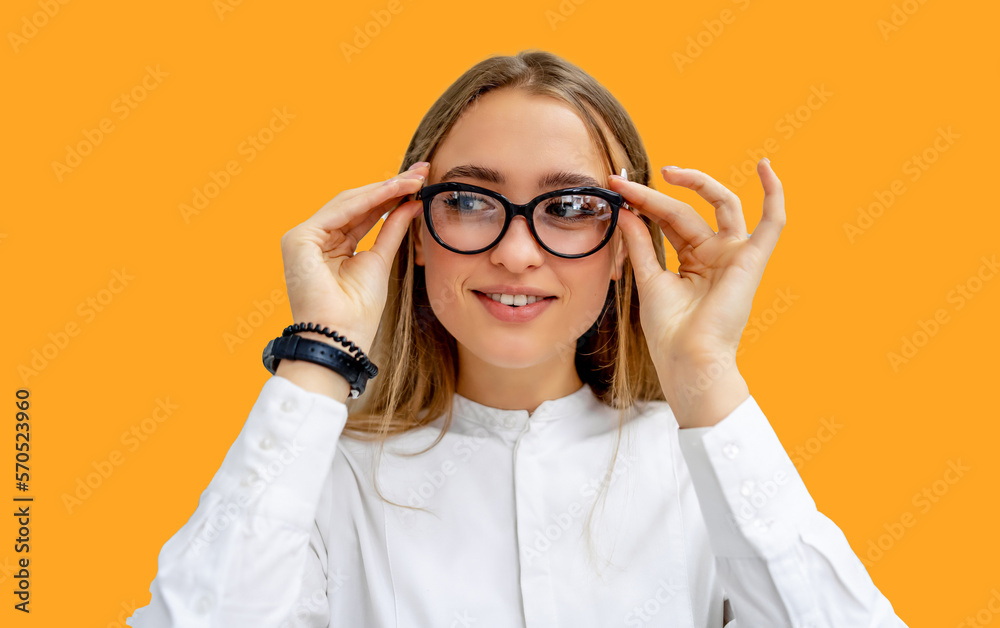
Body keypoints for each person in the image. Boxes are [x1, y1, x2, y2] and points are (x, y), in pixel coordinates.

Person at [127, 50, 907, 627]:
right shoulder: (324, 480)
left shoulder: (702, 470)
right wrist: (318, 353)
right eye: (469, 200)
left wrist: (704, 376)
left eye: (570, 207)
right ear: (417, 231)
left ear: (624, 246)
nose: (517, 251)